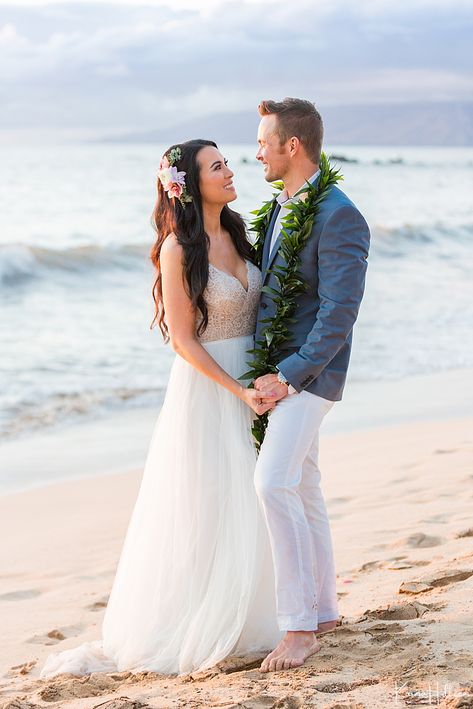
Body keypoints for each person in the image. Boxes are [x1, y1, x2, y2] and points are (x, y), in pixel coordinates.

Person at [39, 139, 283, 678]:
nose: (229, 170)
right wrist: (237, 390)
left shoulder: (242, 233)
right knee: (211, 500)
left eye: (226, 163)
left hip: (255, 377)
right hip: (209, 386)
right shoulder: (178, 249)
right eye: (217, 166)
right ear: (191, 185)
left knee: (257, 494)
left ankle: (258, 612)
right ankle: (204, 620)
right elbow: (182, 340)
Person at [251, 98, 370, 672]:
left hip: (311, 375)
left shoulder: (340, 214)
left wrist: (290, 376)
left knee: (271, 483)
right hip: (284, 372)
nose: (257, 154)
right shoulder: (281, 206)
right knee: (303, 486)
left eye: (263, 143)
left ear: (291, 146)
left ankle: (297, 627)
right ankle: (323, 610)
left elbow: (339, 312)